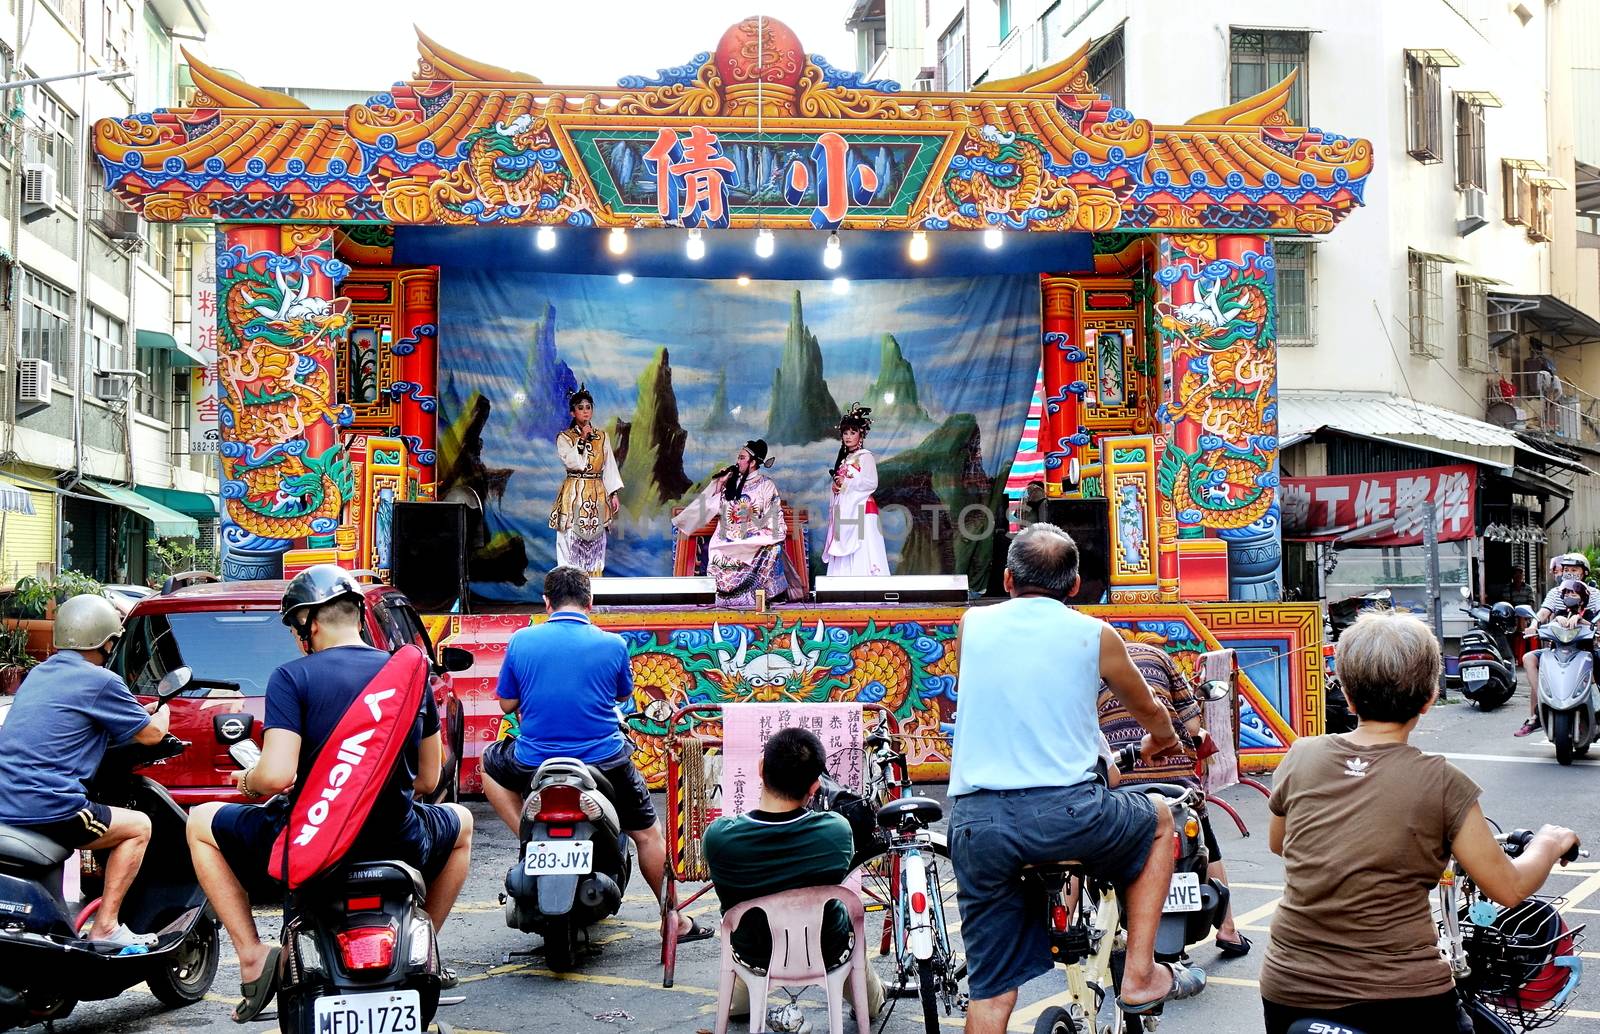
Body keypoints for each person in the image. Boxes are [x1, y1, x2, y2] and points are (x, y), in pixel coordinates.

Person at [1261, 610, 1580, 1034]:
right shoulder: (1442, 782)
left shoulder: (1302, 754)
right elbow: (1508, 888)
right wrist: (1551, 842)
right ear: (1430, 698)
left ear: (1350, 697)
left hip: (1287, 985)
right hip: (1400, 997)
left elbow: (1280, 843)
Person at [186, 566, 474, 1022]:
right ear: (359, 615)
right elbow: (428, 779)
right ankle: (426, 947)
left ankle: (251, 956)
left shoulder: (291, 678)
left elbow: (278, 776)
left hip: (311, 843)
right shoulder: (408, 673)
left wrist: (247, 781)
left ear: (309, 625)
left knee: (199, 824)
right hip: (399, 841)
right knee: (463, 824)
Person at [949, 523, 1201, 1034]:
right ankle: (1141, 974)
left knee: (991, 993)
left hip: (978, 823)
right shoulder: (1094, 633)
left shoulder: (971, 625)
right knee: (1159, 820)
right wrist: (1163, 741)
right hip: (1067, 814)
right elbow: (1151, 711)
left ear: (1007, 579)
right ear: (1073, 585)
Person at [481, 565, 712, 944]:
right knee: (647, 834)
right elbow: (622, 696)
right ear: (590, 602)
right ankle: (674, 919)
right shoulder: (612, 645)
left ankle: (527, 837)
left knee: (490, 766)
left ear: (545, 602)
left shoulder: (522, 641)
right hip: (605, 760)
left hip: (534, 760)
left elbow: (507, 703)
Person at [0, 594, 169, 946]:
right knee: (139, 826)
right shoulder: (101, 681)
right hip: (51, 806)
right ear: (107, 642)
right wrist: (162, 715)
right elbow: (152, 735)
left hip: (7, 801)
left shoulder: (38, 674)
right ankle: (106, 924)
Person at [703, 727, 885, 1030]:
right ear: (814, 787)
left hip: (753, 952)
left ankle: (743, 1000)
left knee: (735, 1010)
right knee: (873, 1004)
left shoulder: (720, 838)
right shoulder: (837, 831)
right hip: (828, 948)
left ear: (761, 768)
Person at [1097, 639, 1249, 958]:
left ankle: (1077, 929)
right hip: (1176, 780)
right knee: (1207, 840)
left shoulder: (1092, 668)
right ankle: (1229, 929)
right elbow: (1193, 725)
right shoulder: (1161, 659)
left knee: (1088, 852)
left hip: (1121, 779)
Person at [672, 439, 788, 607]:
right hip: (727, 541)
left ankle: (761, 597)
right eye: (738, 457)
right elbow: (709, 506)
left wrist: (758, 534)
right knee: (718, 550)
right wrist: (719, 483)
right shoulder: (731, 484)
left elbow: (774, 520)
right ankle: (728, 597)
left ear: (753, 462)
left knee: (773, 548)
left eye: (742, 458)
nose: (737, 461)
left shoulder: (766, 486)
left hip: (753, 540)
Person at [1516, 553, 1600, 737]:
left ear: (1584, 572)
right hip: (1557, 648)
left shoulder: (1594, 594)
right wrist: (1533, 624)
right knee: (1531, 660)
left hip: (1585, 648)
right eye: (1566, 570)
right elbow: (1544, 612)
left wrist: (1584, 621)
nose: (1570, 574)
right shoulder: (1556, 593)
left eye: (1574, 570)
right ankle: (1539, 709)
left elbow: (1597, 618)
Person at [549, 385, 623, 575]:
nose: (585, 411)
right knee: (570, 537)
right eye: (580, 408)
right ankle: (568, 584)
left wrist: (613, 493)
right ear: (572, 412)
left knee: (596, 543)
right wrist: (582, 438)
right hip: (574, 491)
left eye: (588, 407)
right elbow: (574, 463)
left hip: (597, 491)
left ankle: (593, 586)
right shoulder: (564, 437)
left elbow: (609, 465)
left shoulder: (602, 436)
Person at [824, 406, 889, 577]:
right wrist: (837, 487)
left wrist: (847, 483)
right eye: (845, 433)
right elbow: (844, 485)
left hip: (862, 510)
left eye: (853, 433)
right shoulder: (845, 460)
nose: (848, 437)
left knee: (864, 547)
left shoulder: (865, 457)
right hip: (846, 509)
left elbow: (871, 483)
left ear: (860, 435)